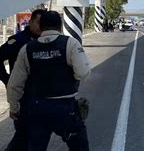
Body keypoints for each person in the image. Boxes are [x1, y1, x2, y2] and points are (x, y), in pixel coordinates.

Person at [7, 11, 91, 151]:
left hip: (38, 108)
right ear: (60, 26)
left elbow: (14, 84)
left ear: (40, 26)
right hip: (66, 108)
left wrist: (14, 108)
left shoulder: (27, 49)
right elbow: (83, 73)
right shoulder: (70, 43)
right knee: (80, 146)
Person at [0, 9, 46, 151]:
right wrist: (6, 80)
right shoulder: (18, 40)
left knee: (36, 135)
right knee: (24, 135)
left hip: (41, 96)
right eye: (39, 23)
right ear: (31, 22)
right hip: (23, 96)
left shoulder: (46, 41)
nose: (42, 26)